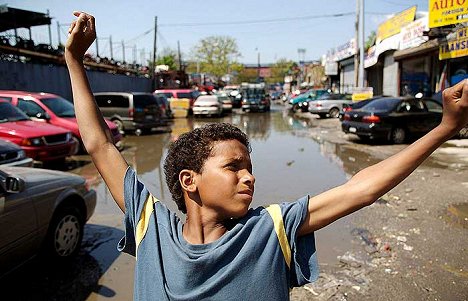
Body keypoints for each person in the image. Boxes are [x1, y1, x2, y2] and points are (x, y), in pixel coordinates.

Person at [65, 12, 468, 301]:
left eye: (250, 168)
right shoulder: (150, 227)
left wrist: (444, 128)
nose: (250, 178)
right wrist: (74, 61)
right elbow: (100, 145)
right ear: (190, 181)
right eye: (233, 167)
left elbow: (360, 190)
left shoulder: (269, 230)